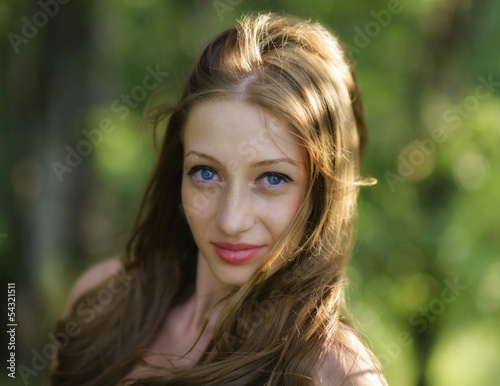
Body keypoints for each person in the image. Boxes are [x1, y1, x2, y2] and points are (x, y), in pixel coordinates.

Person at [49, 12, 387, 385]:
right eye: (206, 173)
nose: (231, 220)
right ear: (179, 170)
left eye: (272, 178)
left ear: (320, 193)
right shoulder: (100, 300)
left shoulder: (332, 371)